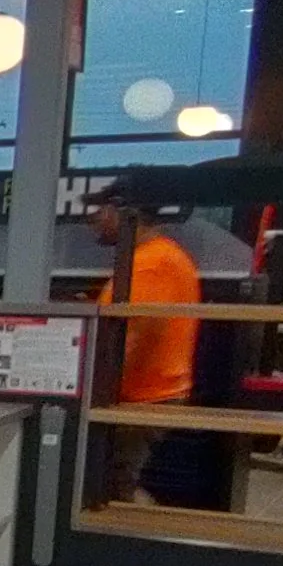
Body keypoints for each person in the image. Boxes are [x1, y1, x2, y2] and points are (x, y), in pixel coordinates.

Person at [88, 196, 214, 505]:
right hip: (145, 393)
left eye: (98, 212)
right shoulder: (155, 257)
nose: (93, 221)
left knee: (110, 487)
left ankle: (132, 532)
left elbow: (134, 339)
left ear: (118, 212)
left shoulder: (151, 263)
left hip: (142, 396)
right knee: (112, 481)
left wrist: (94, 393)